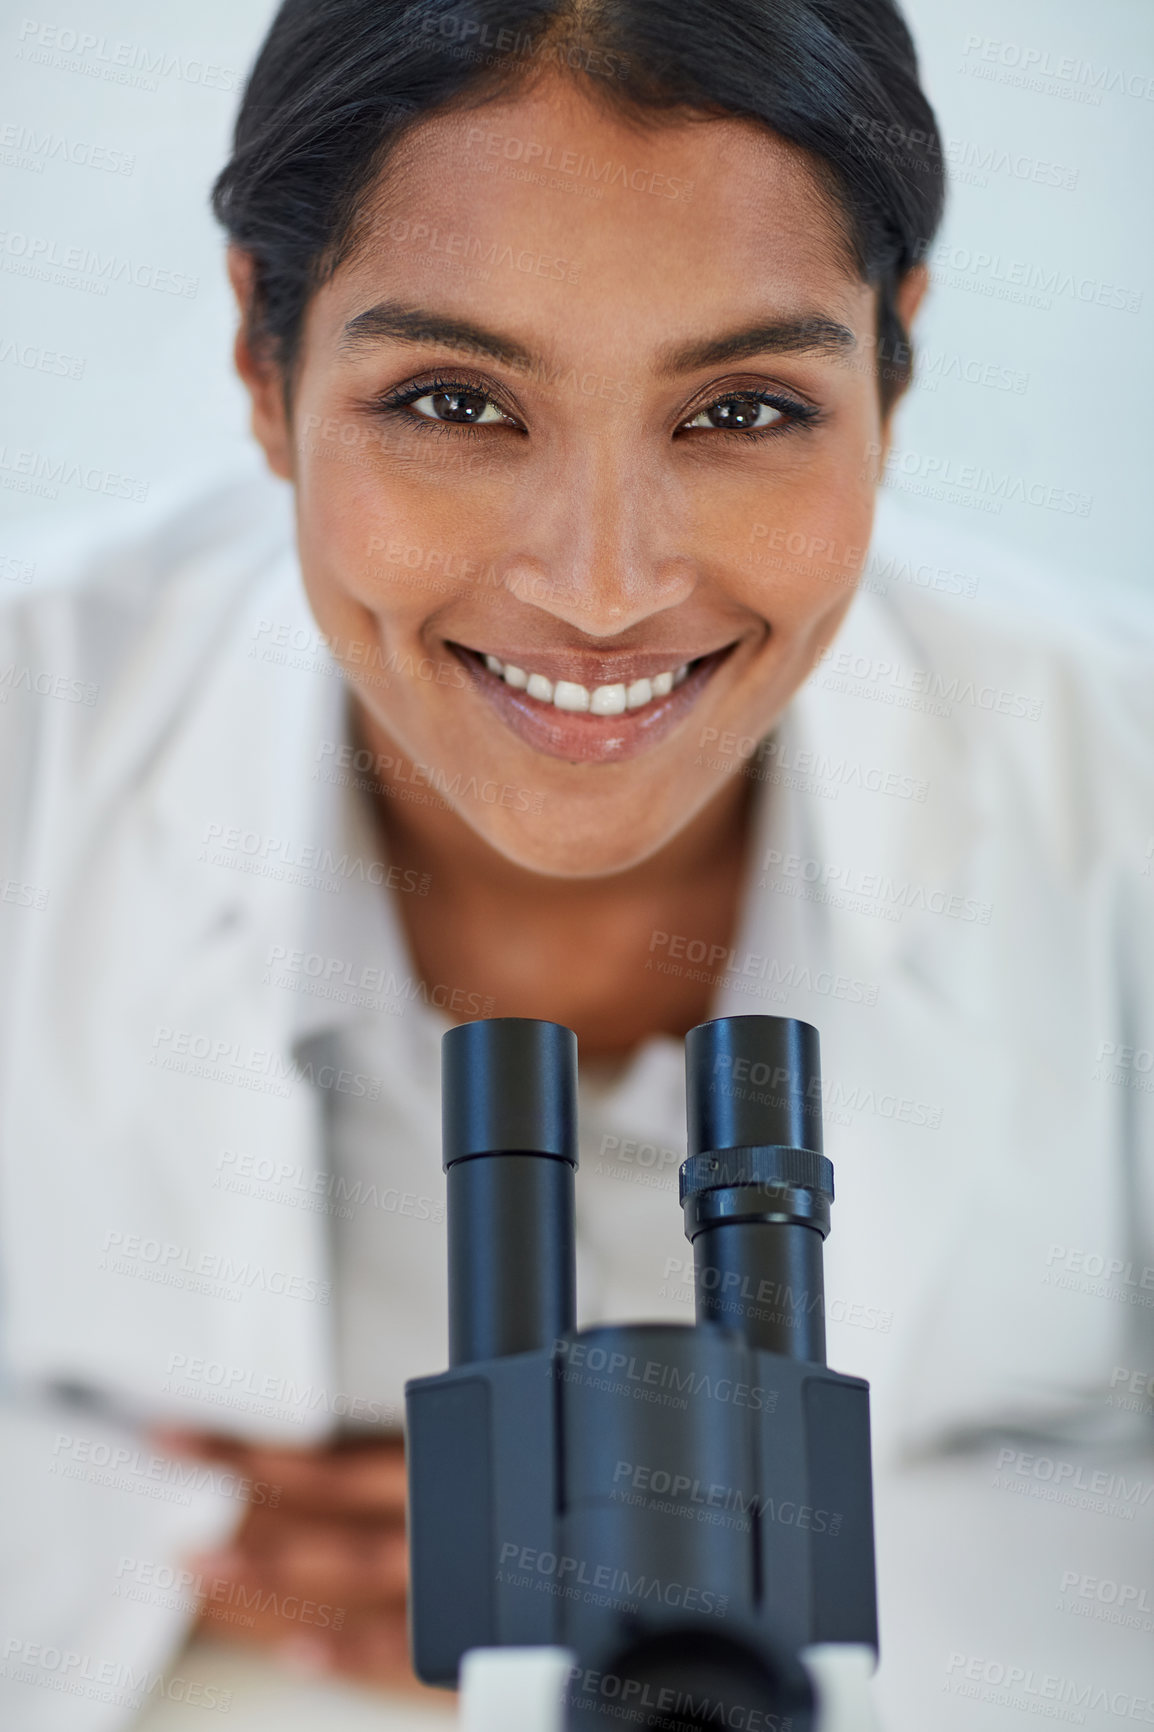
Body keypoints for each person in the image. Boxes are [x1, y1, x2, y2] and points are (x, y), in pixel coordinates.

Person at [1, 2, 1151, 1728]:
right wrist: (160, 1539)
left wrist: (691, 1575)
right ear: (262, 360)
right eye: (455, 401)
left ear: (893, 364)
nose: (602, 587)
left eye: (745, 408)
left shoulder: (1109, 778)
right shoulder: (39, 726)